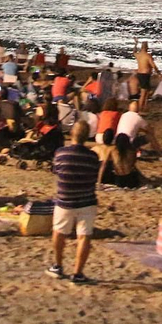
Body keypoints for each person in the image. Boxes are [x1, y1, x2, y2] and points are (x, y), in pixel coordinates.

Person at [48, 121, 101, 283]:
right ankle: (78, 273)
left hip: (65, 199)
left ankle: (58, 265)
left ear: (72, 134)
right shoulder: (93, 157)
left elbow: (56, 171)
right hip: (86, 200)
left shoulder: (61, 153)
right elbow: (94, 177)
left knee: (59, 232)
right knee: (84, 236)